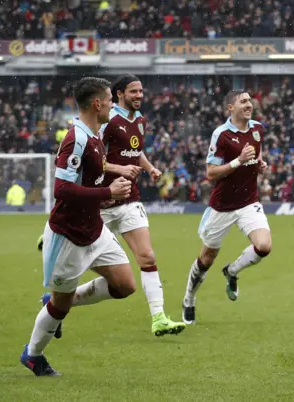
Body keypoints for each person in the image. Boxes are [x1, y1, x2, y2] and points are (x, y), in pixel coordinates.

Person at [21, 77, 136, 376]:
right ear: (97, 104)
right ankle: (33, 355)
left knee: (125, 285)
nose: (113, 104)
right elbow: (62, 190)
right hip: (68, 236)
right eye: (111, 99)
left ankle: (59, 300)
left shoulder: (95, 135)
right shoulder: (77, 138)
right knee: (60, 308)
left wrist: (114, 180)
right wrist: (109, 193)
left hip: (94, 229)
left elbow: (92, 176)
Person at [98, 74, 185, 337]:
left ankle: (159, 317)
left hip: (129, 200)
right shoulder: (107, 120)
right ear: (119, 94)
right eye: (134, 92)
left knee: (147, 257)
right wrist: (119, 168)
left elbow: (136, 152)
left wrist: (149, 168)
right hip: (99, 201)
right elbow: (91, 158)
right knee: (77, 266)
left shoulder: (140, 121)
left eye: (141, 92)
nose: (139, 96)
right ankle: (56, 302)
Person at [181, 90, 272, 324]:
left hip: (249, 201)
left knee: (263, 246)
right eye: (243, 102)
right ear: (230, 108)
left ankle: (231, 271)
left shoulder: (257, 129)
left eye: (250, 100)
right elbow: (210, 173)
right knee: (206, 259)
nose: (249, 104)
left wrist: (259, 164)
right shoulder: (221, 135)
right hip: (222, 207)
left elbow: (257, 155)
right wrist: (238, 161)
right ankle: (189, 298)